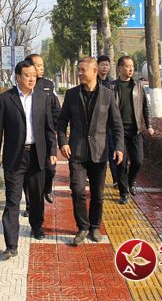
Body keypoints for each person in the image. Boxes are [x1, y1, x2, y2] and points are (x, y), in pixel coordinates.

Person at [0, 60, 57, 260]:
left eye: (34, 75)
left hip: (37, 154)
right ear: (18, 77)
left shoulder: (43, 98)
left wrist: (52, 150)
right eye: (27, 75)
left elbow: (49, 128)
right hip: (15, 156)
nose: (31, 79)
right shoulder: (5, 99)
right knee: (12, 200)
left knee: (36, 196)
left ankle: (37, 226)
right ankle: (11, 245)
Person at [57, 57, 124, 246]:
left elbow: (117, 125)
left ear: (94, 71)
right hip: (77, 152)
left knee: (97, 194)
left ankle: (95, 226)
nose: (79, 73)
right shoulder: (71, 95)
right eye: (78, 70)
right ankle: (82, 227)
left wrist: (119, 147)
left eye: (82, 70)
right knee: (77, 190)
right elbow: (61, 123)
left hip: (99, 152)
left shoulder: (107, 95)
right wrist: (63, 143)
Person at [109, 55, 154, 205]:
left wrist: (149, 125)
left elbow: (145, 106)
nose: (130, 69)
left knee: (138, 160)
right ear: (120, 68)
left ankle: (130, 181)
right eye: (127, 66)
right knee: (121, 163)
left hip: (136, 130)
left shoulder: (138, 85)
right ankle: (124, 193)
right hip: (118, 132)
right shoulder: (111, 87)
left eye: (132, 66)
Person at [25, 53, 60, 207]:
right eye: (38, 65)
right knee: (29, 174)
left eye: (42, 65)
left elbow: (56, 108)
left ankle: (47, 188)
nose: (41, 68)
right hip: (29, 137)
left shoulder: (48, 85)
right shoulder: (24, 85)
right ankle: (29, 204)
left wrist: (58, 128)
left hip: (46, 135)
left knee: (50, 169)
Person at [97, 55, 118, 187]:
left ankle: (115, 178)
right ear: (97, 66)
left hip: (109, 123)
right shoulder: (93, 82)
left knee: (112, 149)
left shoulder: (113, 83)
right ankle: (96, 176)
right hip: (97, 123)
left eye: (106, 65)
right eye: (102, 64)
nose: (104, 67)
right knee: (97, 150)